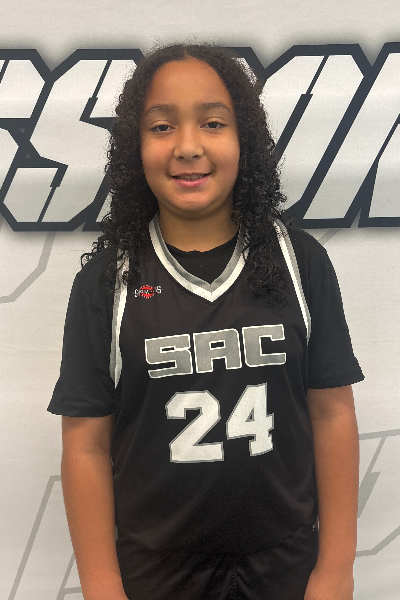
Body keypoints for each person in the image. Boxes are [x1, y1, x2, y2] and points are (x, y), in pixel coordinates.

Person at [47, 43, 363, 600]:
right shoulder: (106, 281)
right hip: (156, 572)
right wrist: (100, 583)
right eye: (162, 127)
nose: (188, 146)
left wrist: (336, 570)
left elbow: (332, 413)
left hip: (285, 563)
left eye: (213, 123)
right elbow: (86, 445)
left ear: (245, 140)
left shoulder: (300, 262)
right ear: (135, 147)